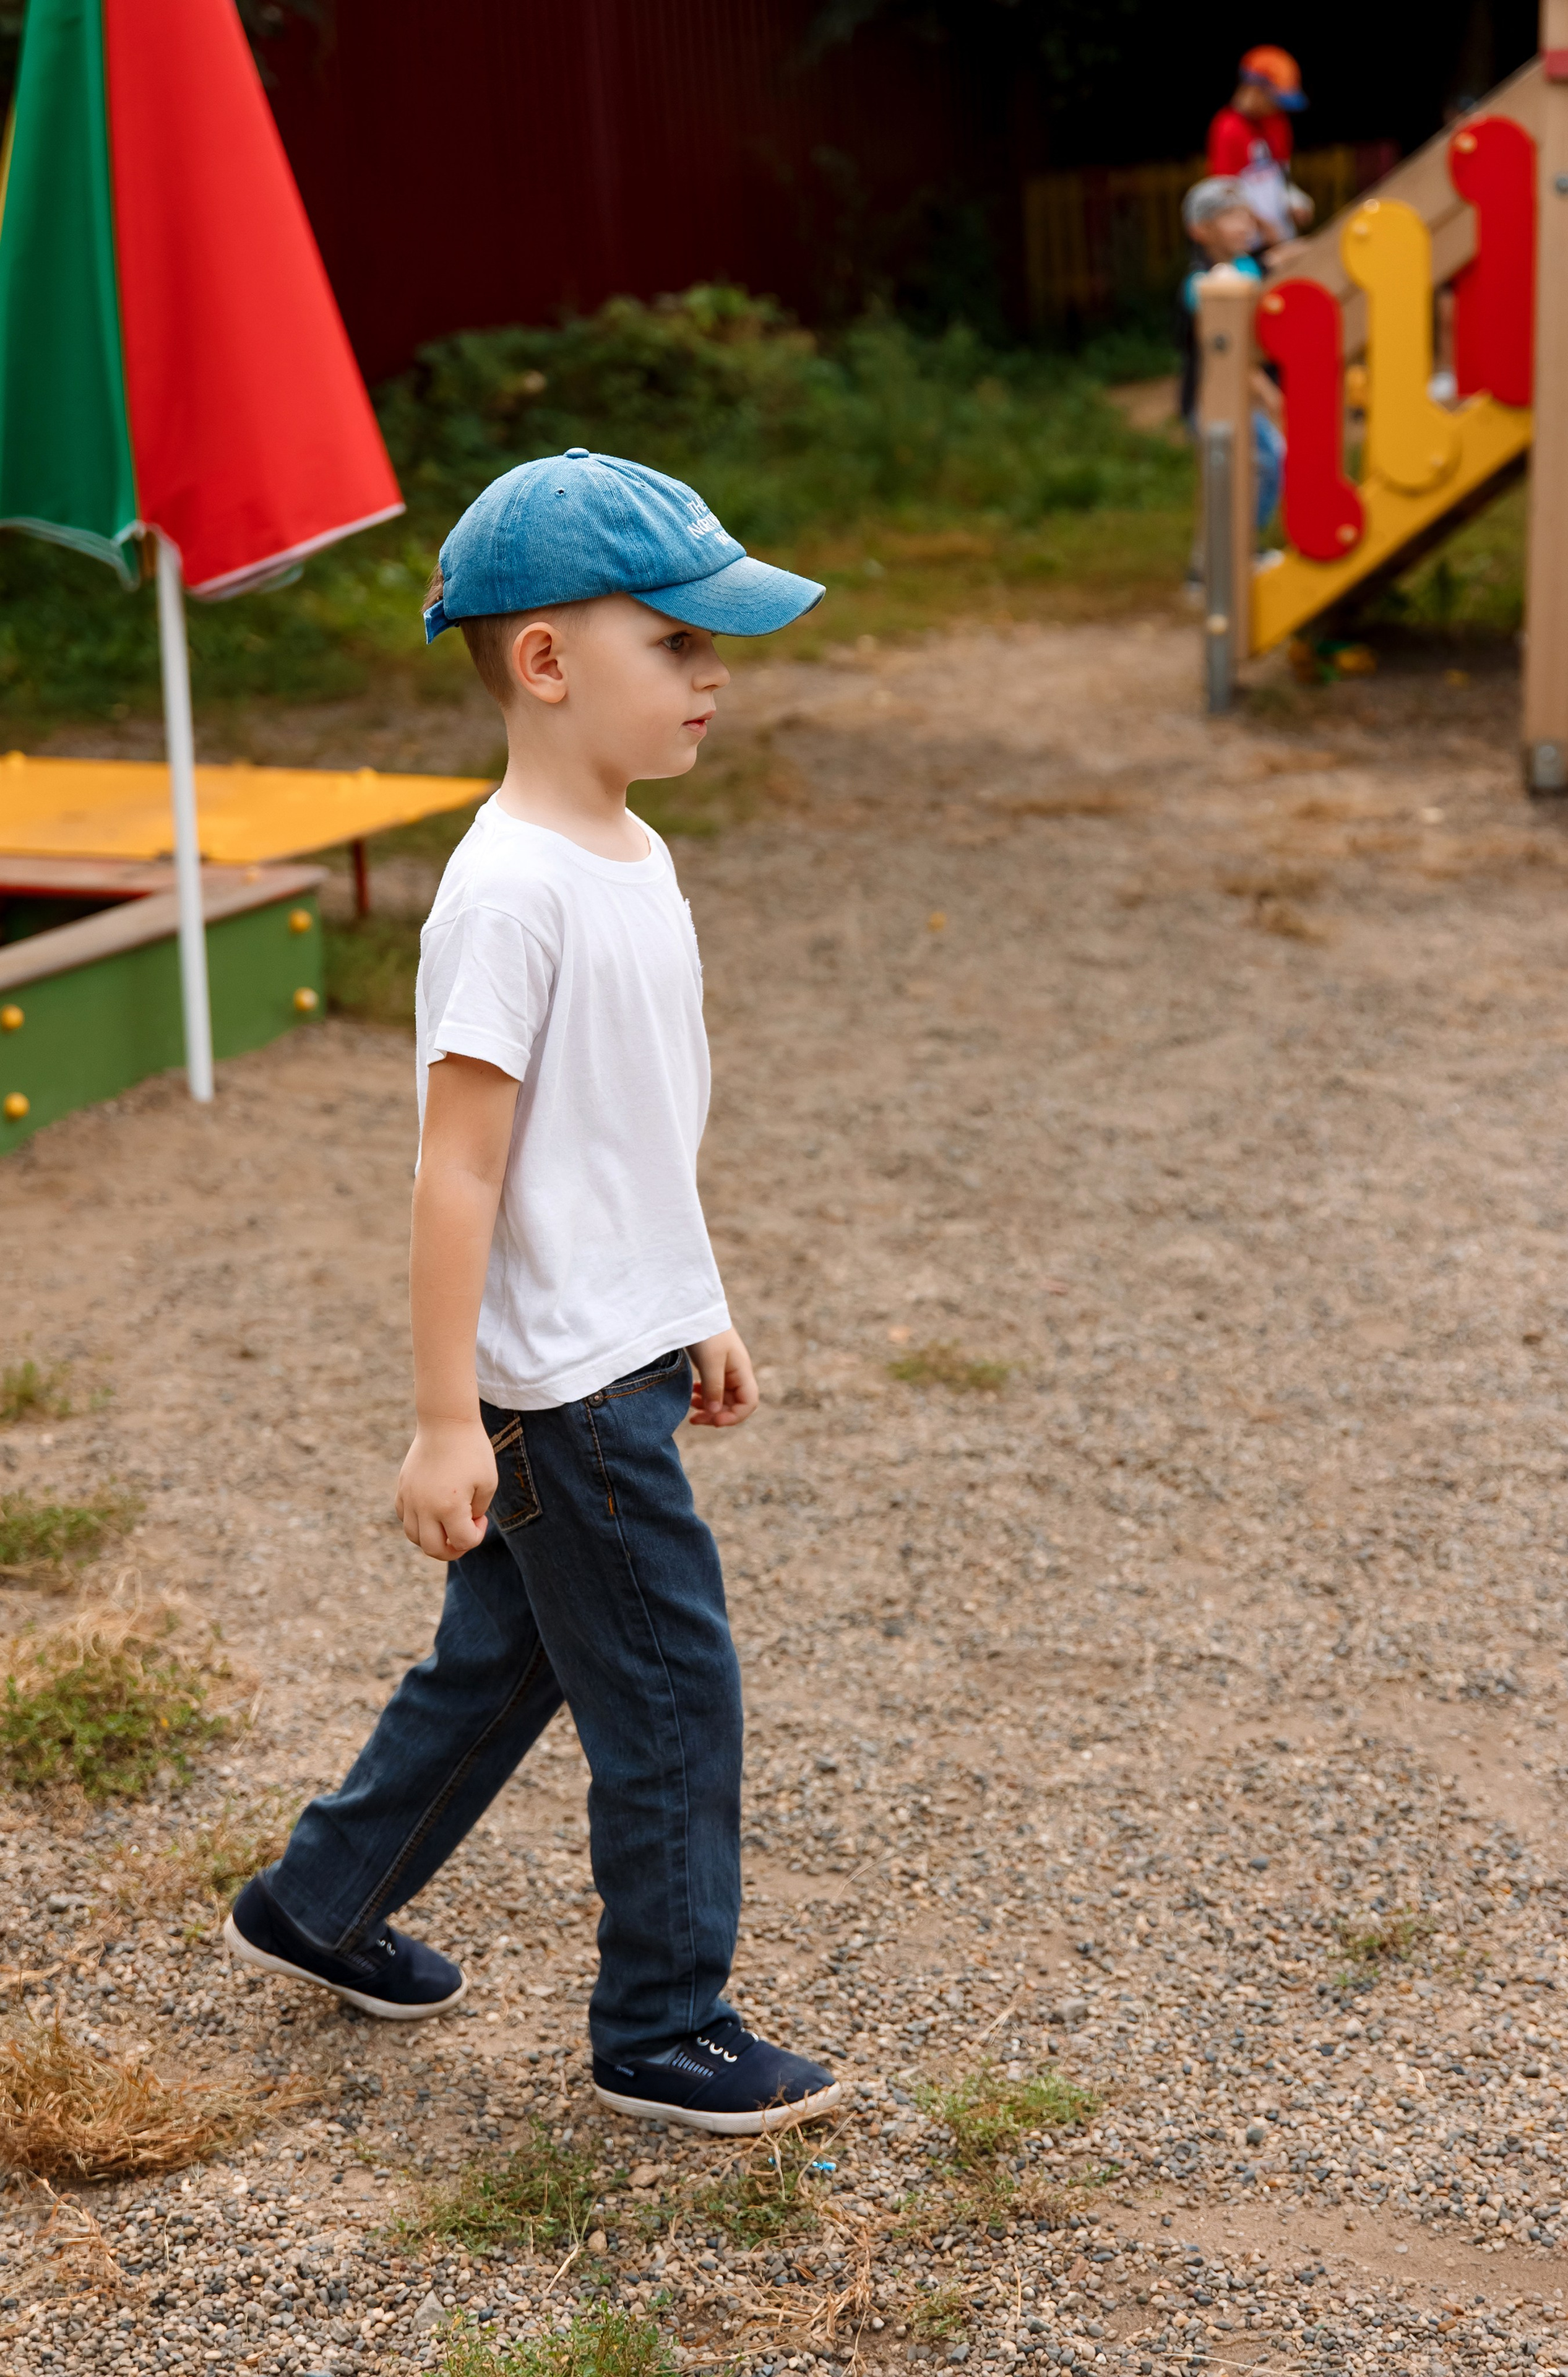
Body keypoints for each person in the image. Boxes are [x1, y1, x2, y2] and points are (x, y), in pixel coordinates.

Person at [225, 449, 842, 2136]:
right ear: (548, 662)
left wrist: (693, 1300)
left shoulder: (632, 855)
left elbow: (636, 1137)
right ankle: (662, 2022)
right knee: (669, 1686)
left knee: (507, 1662)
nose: (715, 676)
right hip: (557, 1394)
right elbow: (463, 1170)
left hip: (617, 1349)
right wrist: (446, 1419)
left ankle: (318, 1901)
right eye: (680, 643)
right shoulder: (507, 893)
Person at [1177, 178, 1286, 539]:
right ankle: (1219, 560)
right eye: (1229, 216)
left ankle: (1240, 548)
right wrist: (1266, 390)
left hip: (1245, 394)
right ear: (1200, 230)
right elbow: (1221, 350)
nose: (1243, 224)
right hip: (1214, 398)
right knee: (1235, 477)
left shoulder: (1248, 268)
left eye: (1245, 214)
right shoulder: (1202, 284)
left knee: (1265, 466)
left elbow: (1281, 254)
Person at [1207, 44, 1314, 246]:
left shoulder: (1278, 121)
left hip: (1283, 237)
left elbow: (1283, 175)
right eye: (1276, 98)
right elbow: (1226, 190)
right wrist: (1261, 224)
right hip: (1248, 243)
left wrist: (1295, 201)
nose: (1279, 106)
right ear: (1255, 90)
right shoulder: (1227, 127)